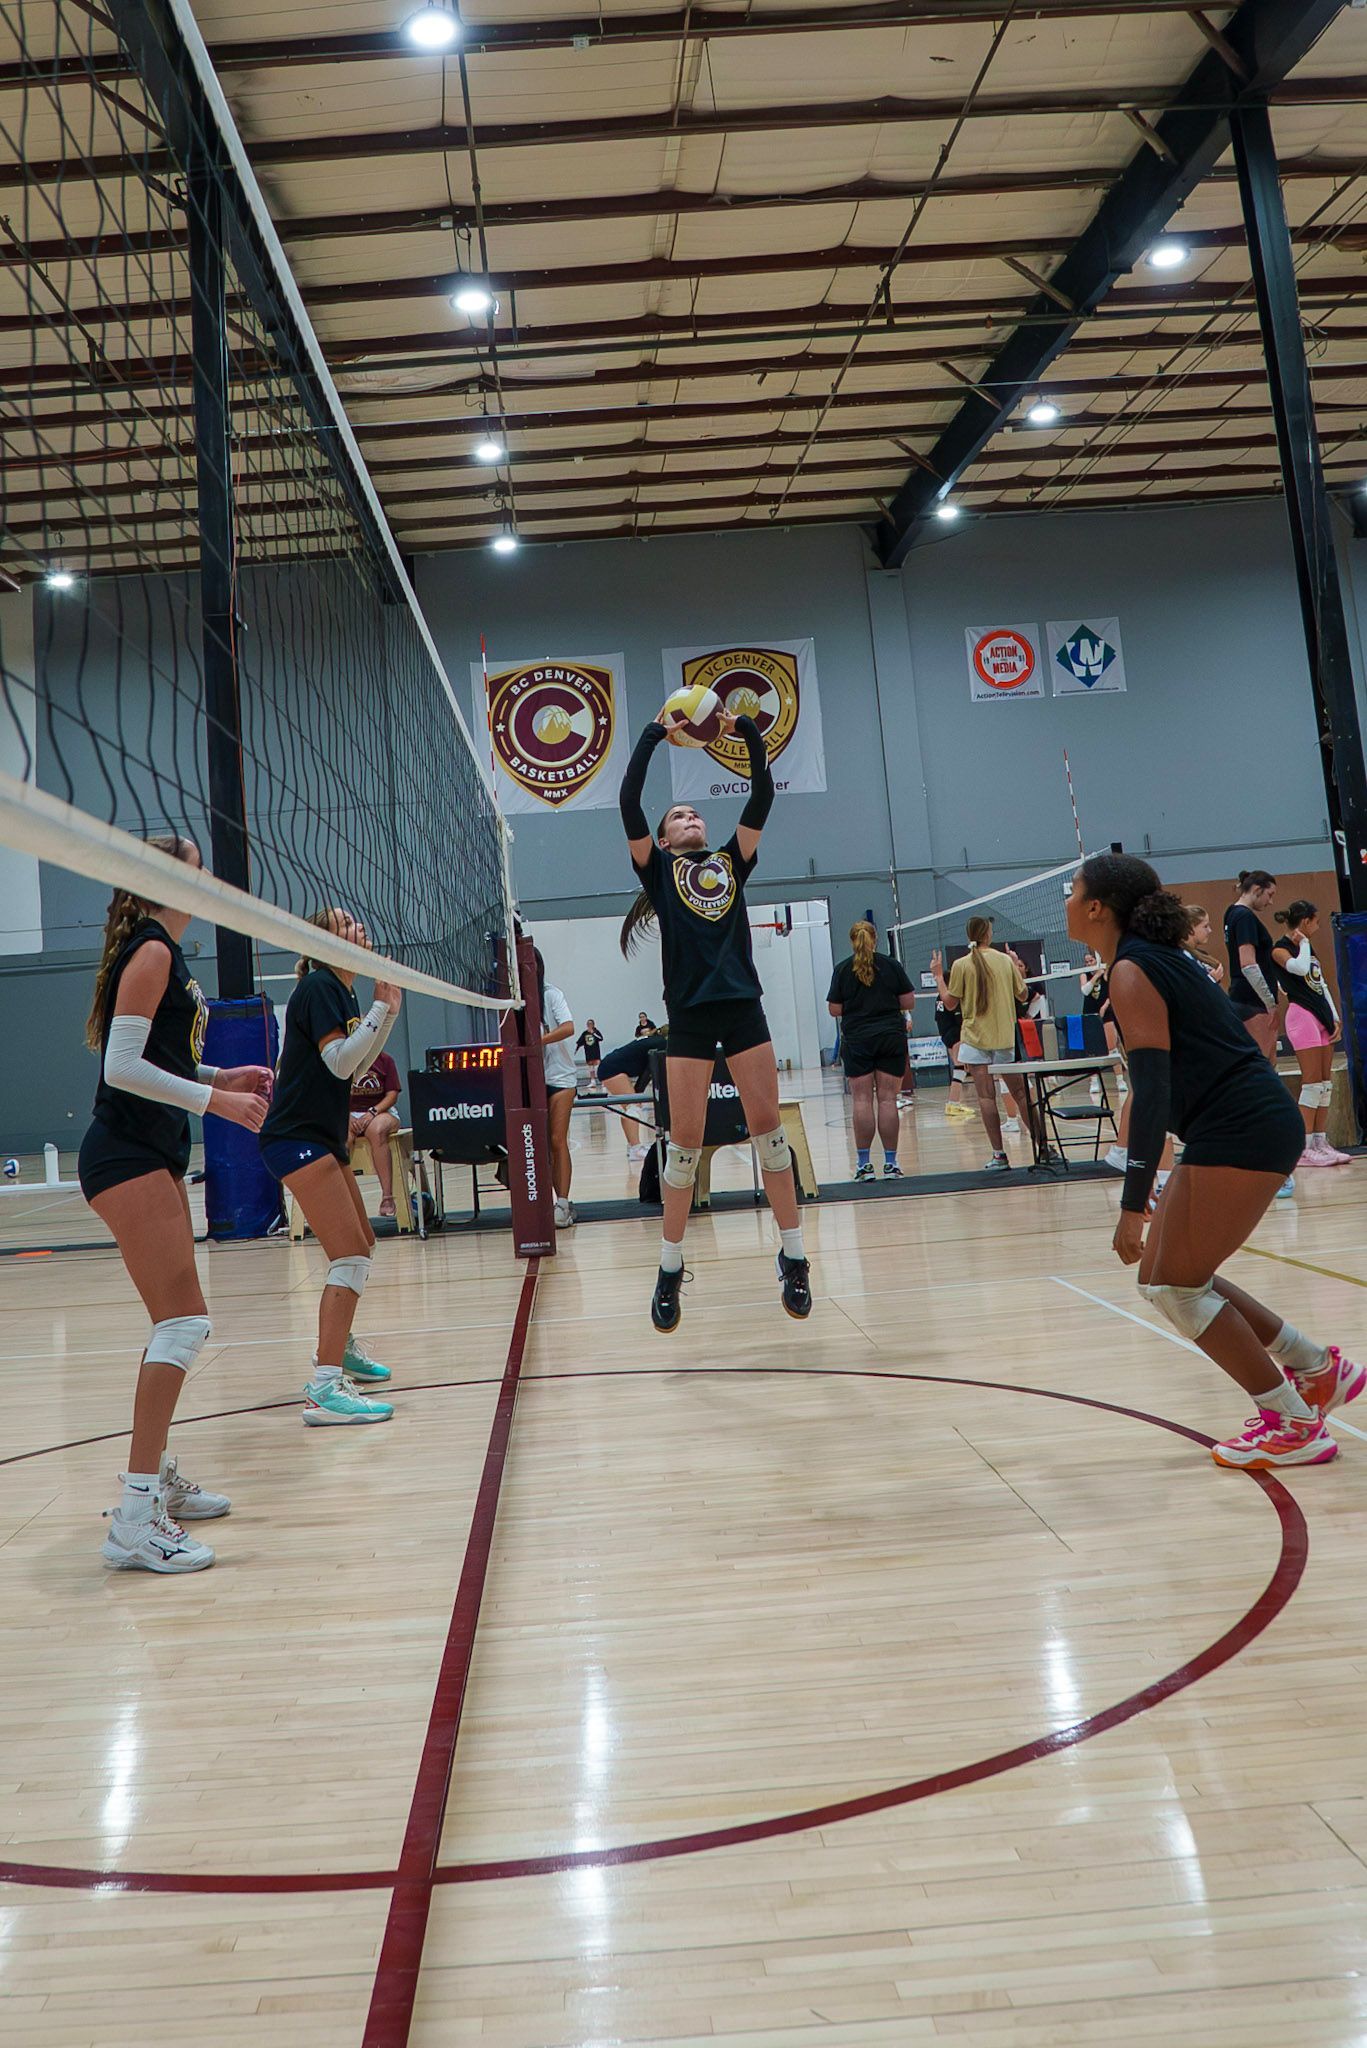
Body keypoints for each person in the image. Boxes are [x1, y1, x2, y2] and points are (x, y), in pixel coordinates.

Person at [1068, 851, 1361, 1470]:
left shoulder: (1131, 971)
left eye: (1073, 891)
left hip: (1242, 1130)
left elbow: (1151, 1093)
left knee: (1175, 1283)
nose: (1067, 901)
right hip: (1234, 1127)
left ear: (1097, 908)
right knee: (1167, 1278)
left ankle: (1291, 1422)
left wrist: (1131, 1201)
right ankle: (1315, 1368)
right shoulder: (1149, 961)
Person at [80, 836, 272, 1573]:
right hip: (125, 1154)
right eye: (195, 864)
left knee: (175, 1323)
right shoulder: (152, 951)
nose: (207, 875)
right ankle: (135, 1519)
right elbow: (121, 1068)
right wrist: (215, 1102)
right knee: (185, 1324)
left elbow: (158, 1056)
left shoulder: (165, 951)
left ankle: (153, 1480)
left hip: (146, 1154)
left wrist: (223, 1070)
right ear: (168, 877)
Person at [619, 702, 811, 1329]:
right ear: (665, 836)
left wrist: (746, 730)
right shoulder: (657, 873)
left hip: (743, 1007)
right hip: (691, 1017)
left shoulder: (732, 860)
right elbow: (627, 800)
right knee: (684, 1147)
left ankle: (794, 1257)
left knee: (770, 1136)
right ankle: (670, 1268)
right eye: (678, 815)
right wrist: (656, 734)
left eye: (695, 811)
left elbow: (761, 795)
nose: (691, 817)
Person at [258, 909, 402, 1424]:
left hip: (318, 1135)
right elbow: (339, 1062)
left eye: (360, 922)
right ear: (323, 941)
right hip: (295, 1136)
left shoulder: (341, 991)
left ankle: (339, 1348)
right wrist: (380, 1009)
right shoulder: (319, 985)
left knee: (362, 1241)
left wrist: (384, 1013)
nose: (361, 928)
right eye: (346, 925)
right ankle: (323, 1387)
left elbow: (356, 1068)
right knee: (349, 1255)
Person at [931, 919, 1042, 1173]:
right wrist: (1015, 967)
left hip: (974, 1038)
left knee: (986, 1097)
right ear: (988, 934)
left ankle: (999, 1155)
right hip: (1003, 1037)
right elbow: (1024, 996)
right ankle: (1044, 1147)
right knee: (1021, 1094)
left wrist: (939, 977)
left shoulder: (960, 964)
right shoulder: (1004, 961)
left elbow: (949, 1004)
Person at [827, 920, 915, 1180]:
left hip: (858, 1040)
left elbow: (834, 1009)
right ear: (874, 939)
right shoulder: (891, 965)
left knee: (862, 1100)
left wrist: (856, 1005)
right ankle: (890, 1164)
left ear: (852, 940)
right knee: (888, 1099)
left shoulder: (843, 969)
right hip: (889, 1037)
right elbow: (908, 1000)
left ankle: (864, 1166)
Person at [1272, 900, 1347, 1167]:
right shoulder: (1280, 949)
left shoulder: (1308, 948)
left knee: (1325, 1083)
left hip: (1320, 1016)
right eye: (1315, 921)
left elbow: (1318, 981)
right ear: (1305, 921)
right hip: (1301, 1016)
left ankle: (1320, 1141)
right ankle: (1303, 1148)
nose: (1317, 926)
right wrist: (1303, 944)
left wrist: (1334, 1016)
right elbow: (1300, 969)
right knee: (1312, 1082)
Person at [535, 948, 578, 1228]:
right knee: (539, 1147)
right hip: (532, 1080)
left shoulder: (551, 994)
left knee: (556, 1140)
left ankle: (562, 1203)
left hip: (560, 1077)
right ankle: (543, 1203)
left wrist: (539, 1041)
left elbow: (569, 1027)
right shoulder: (515, 1002)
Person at [595, 1028, 668, 1160]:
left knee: (632, 1107)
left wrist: (637, 1093)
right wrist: (638, 1093)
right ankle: (635, 1148)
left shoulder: (653, 1040)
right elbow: (650, 1070)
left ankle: (633, 1146)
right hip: (612, 1069)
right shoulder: (662, 1044)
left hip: (611, 1066)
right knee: (633, 1108)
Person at [349, 1049, 402, 1219]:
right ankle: (346, 1202)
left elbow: (392, 1095)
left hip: (380, 1111)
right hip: (349, 1112)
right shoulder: (342, 1061)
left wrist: (373, 1112)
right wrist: (346, 1116)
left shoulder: (385, 1060)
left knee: (376, 1131)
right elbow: (331, 1095)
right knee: (342, 1137)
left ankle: (387, 1197)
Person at [1182, 905, 1225, 985]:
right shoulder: (1183, 957)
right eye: (1205, 926)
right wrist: (1211, 979)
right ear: (1191, 928)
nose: (1209, 930)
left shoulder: (1202, 954)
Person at [576, 1018, 604, 1087]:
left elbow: (601, 1038)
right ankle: (593, 1081)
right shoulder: (585, 1033)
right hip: (588, 1052)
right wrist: (576, 1049)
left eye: (590, 1024)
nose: (589, 1025)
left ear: (593, 1025)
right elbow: (580, 1042)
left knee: (598, 1066)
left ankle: (603, 1081)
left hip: (596, 1052)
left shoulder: (596, 1031)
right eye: (588, 1024)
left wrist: (593, 1033)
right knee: (591, 1066)